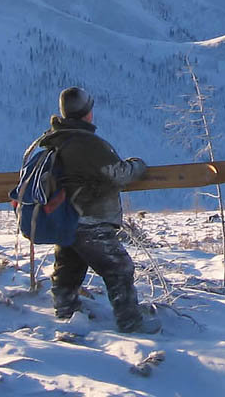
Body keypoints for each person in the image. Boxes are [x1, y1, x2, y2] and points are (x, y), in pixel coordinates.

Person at [36, 86, 160, 334]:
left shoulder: (57, 139)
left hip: (66, 218)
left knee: (69, 267)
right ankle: (130, 323)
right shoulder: (86, 144)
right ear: (87, 113)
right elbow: (119, 174)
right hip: (91, 219)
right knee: (119, 267)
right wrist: (138, 165)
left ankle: (66, 313)